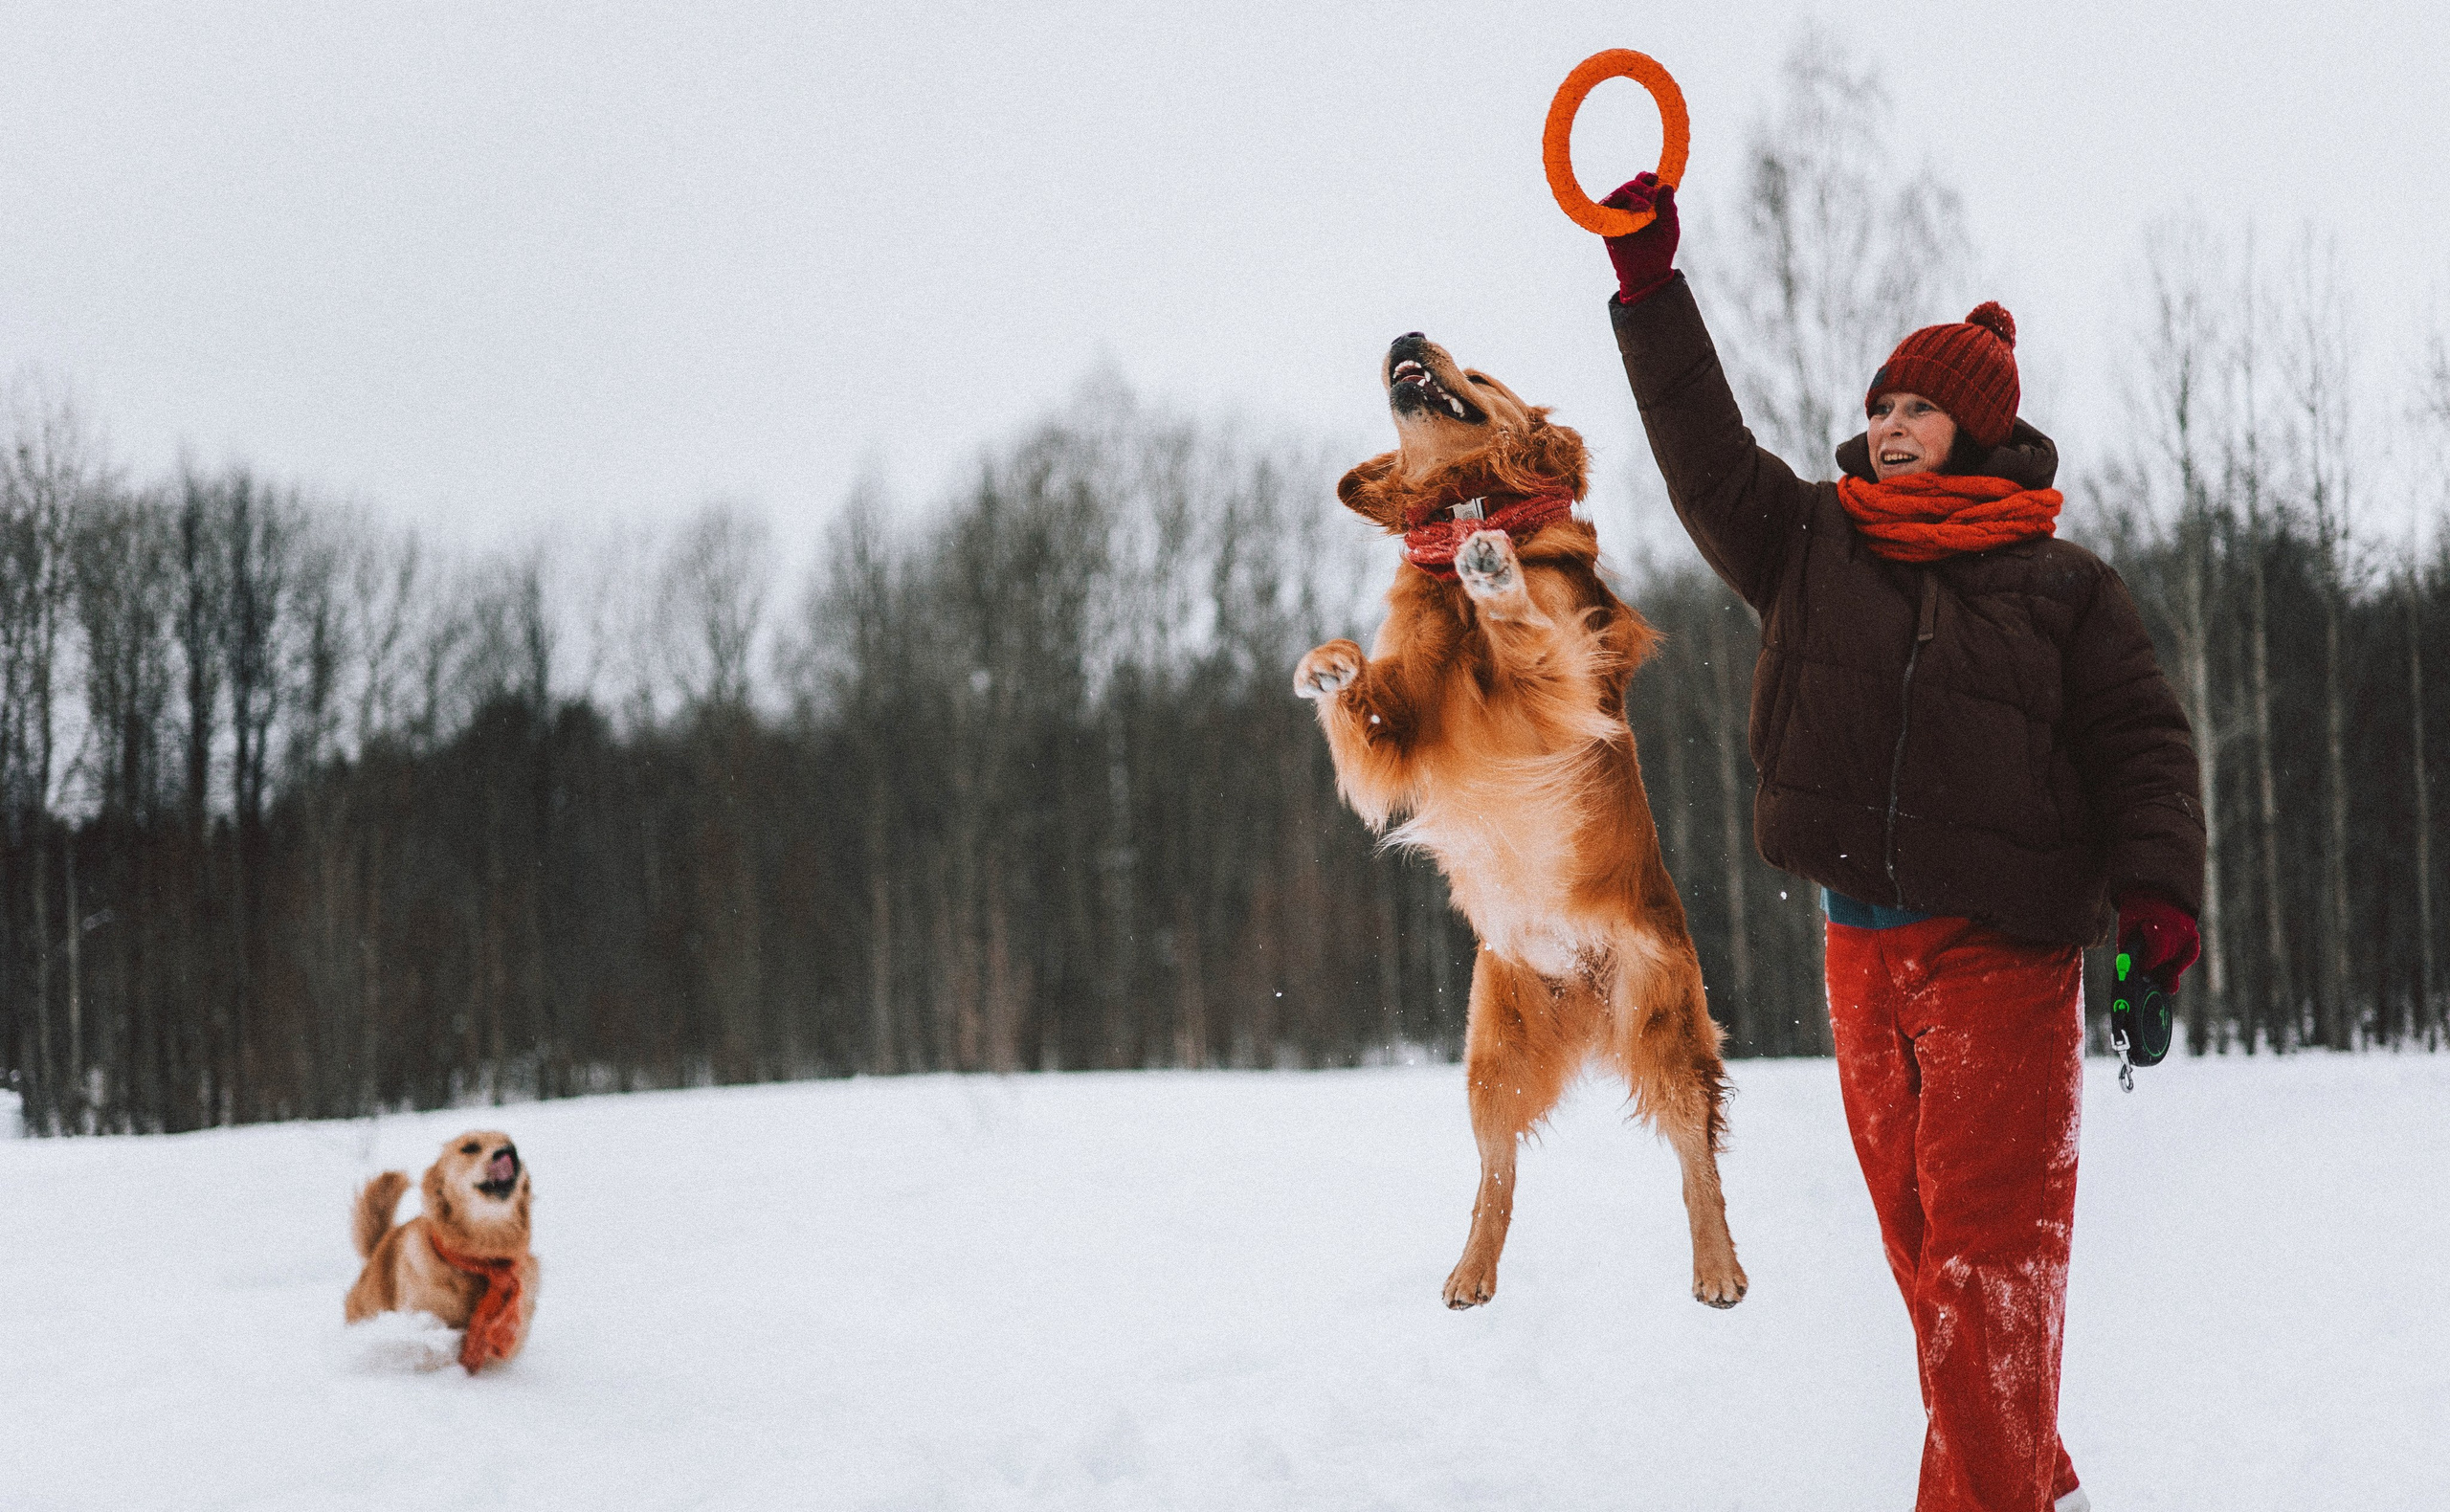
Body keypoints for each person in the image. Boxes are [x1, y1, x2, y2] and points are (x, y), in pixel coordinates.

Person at [1598, 171, 2206, 1512]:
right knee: (1935, 1271)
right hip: (1862, 962)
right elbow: (1703, 454)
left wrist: (2159, 914)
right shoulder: (1815, 543)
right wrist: (1649, 288)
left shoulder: (2062, 588)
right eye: (1878, 405)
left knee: (1992, 1271)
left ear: (1982, 427)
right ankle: (2036, 1494)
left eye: (1918, 405)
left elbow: (2145, 751)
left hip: (2004, 959)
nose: (1887, 424)